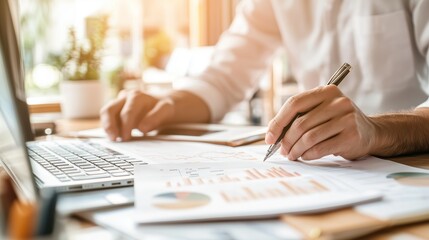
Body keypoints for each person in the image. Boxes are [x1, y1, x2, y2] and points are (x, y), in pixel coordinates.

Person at [100, 0, 429, 161]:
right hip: (323, 177)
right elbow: (224, 78)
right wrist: (168, 103)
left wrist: (375, 130)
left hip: (411, 172)